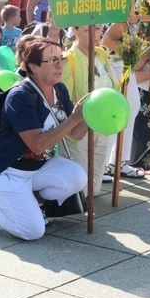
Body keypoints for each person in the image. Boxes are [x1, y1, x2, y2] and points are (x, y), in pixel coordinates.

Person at [0, 39, 88, 240]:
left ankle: (33, 202)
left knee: (77, 177)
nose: (60, 65)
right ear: (34, 67)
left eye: (61, 59)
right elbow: (37, 144)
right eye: (53, 60)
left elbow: (76, 135)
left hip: (38, 167)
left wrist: (88, 114)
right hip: (7, 171)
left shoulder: (59, 89)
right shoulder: (20, 95)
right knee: (32, 231)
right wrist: (74, 118)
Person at [62, 25, 127, 195]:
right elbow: (65, 101)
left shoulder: (102, 53)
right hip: (81, 129)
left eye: (97, 29)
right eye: (86, 30)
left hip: (103, 125)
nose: (94, 34)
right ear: (74, 32)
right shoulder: (69, 59)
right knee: (82, 190)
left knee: (95, 190)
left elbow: (109, 85)